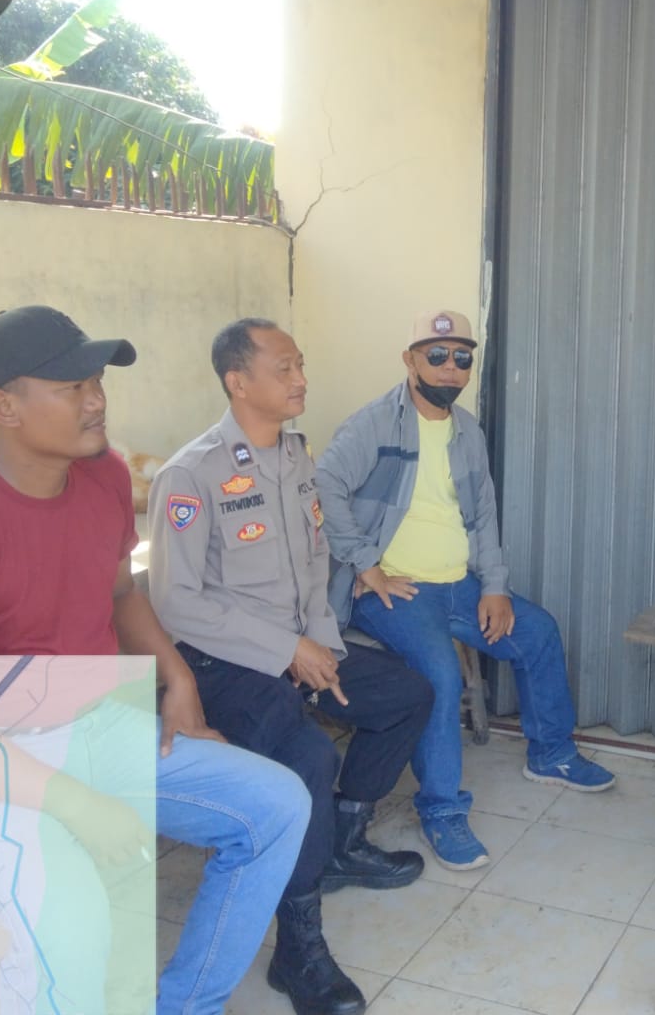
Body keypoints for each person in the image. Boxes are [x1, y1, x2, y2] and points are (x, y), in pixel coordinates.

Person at [0, 305, 311, 1015]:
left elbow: (117, 592)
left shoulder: (105, 475)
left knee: (277, 806)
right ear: (4, 406)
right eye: (71, 388)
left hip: (88, 728)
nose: (96, 401)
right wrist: (81, 806)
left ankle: (186, 1005)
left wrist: (177, 677)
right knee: (73, 933)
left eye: (96, 382)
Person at [150, 318, 436, 1015]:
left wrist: (320, 645)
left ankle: (342, 839)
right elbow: (176, 602)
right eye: (284, 368)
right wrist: (286, 653)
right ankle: (298, 945)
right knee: (305, 755)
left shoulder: (296, 457)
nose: (301, 379)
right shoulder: (191, 473)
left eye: (300, 364)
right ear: (238, 381)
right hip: (226, 665)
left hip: (302, 647)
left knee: (406, 695)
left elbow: (313, 566)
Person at [315, 309, 615, 871]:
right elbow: (323, 485)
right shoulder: (373, 424)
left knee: (538, 633)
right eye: (436, 356)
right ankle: (442, 809)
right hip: (398, 593)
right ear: (409, 361)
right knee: (440, 674)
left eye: (461, 358)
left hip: (461, 585)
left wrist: (494, 587)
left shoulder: (466, 431)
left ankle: (551, 754)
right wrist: (364, 565)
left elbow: (482, 516)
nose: (450, 368)